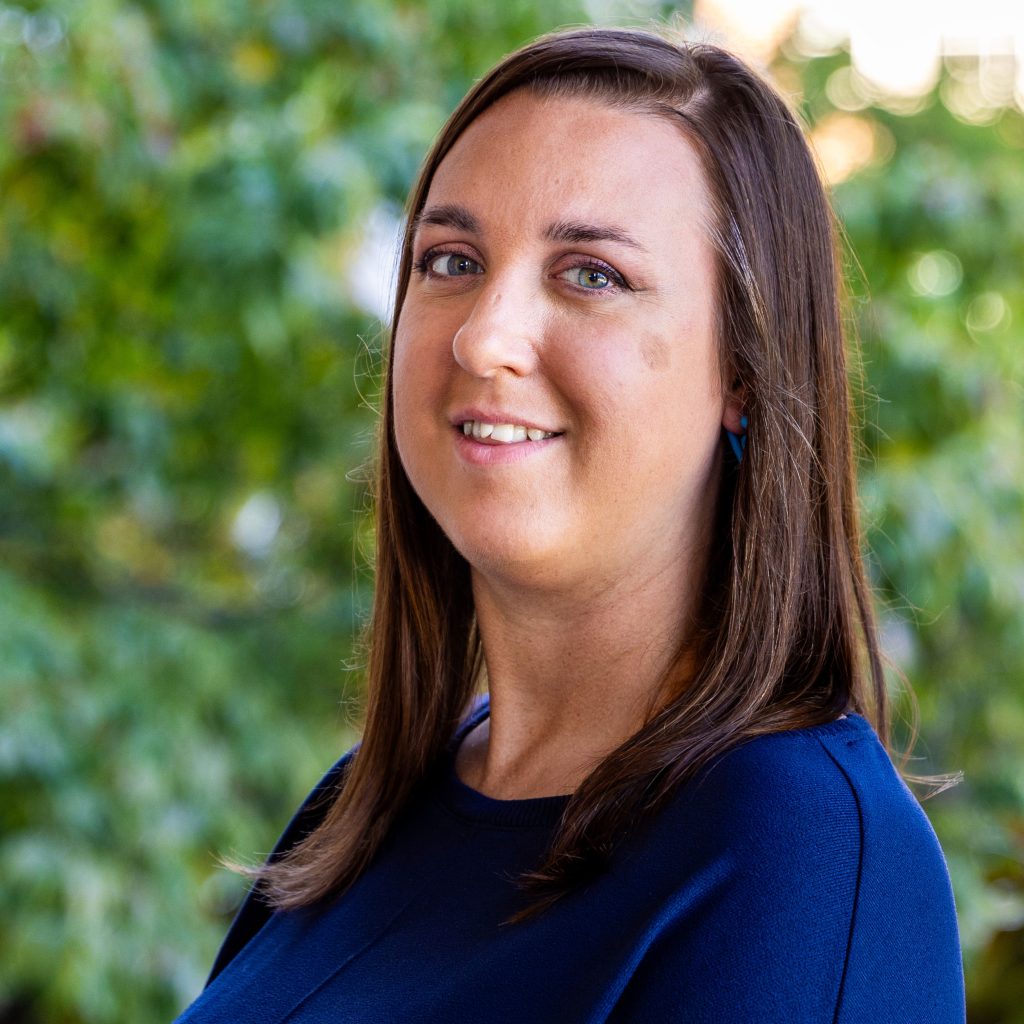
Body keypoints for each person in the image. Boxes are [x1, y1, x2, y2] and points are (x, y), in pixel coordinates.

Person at [175, 25, 965, 1023]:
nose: (483, 334)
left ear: (743, 371)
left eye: (590, 273)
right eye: (451, 260)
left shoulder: (796, 849)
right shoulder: (359, 812)